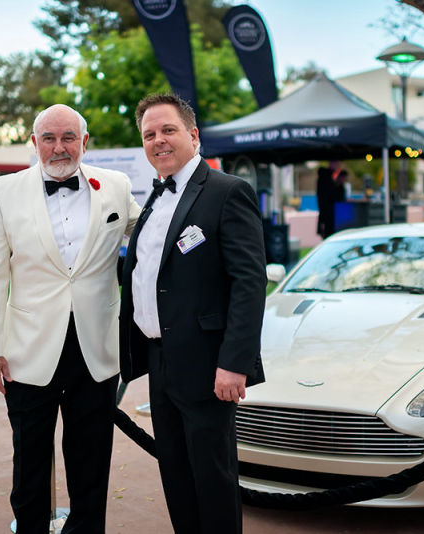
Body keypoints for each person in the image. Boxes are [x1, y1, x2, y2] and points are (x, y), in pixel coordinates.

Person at [0, 104, 141, 533]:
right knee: (30, 457)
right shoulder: (2, 193)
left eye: (68, 137)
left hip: (95, 347)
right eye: (48, 138)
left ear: (85, 142)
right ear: (34, 144)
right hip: (26, 351)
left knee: (91, 457)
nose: (59, 147)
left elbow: (152, 233)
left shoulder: (117, 187)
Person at [119, 94, 267, 534]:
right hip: (160, 363)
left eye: (168, 130)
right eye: (149, 134)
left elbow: (249, 283)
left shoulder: (227, 192)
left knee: (213, 482)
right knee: (177, 479)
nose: (158, 141)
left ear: (193, 135)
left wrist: (234, 363)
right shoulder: (153, 200)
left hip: (209, 366)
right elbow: (148, 274)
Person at [316, 160, 341, 238]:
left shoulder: (324, 179)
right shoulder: (327, 179)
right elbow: (330, 195)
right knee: (328, 231)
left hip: (325, 210)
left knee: (327, 232)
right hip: (327, 211)